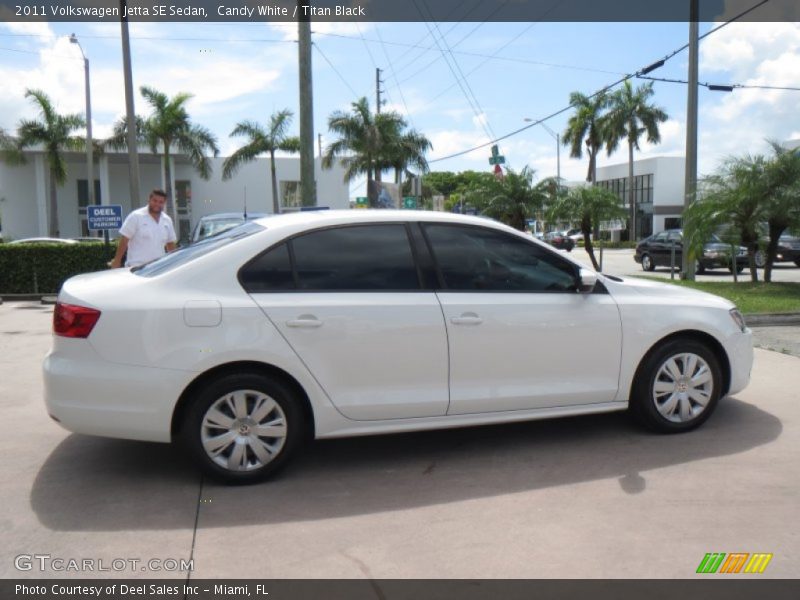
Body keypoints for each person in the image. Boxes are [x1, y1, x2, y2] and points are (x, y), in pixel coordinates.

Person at [110, 189, 177, 268]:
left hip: (158, 269)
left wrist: (174, 263)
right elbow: (124, 240)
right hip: (136, 268)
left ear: (164, 204)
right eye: (154, 201)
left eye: (160, 202)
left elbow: (170, 244)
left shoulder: (167, 220)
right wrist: (117, 261)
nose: (157, 204)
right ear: (149, 200)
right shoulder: (136, 216)